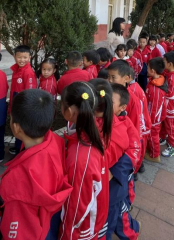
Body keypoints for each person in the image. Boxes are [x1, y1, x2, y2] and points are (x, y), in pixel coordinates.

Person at [0, 90, 72, 241]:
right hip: (49, 219)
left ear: (16, 128)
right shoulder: (54, 140)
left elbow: (16, 229)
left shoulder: (19, 178)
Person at [60, 82, 111, 240]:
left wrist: (66, 235)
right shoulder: (92, 130)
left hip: (82, 227)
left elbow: (76, 209)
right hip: (93, 216)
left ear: (69, 111)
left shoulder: (81, 156)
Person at [108, 85, 141, 241]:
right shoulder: (100, 119)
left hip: (117, 180)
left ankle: (132, 233)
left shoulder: (126, 123)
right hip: (104, 181)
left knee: (119, 213)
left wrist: (114, 172)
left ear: (122, 107)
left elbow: (135, 149)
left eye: (110, 102)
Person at [9, 45, 38, 155]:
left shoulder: (28, 72)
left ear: (30, 57)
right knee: (17, 126)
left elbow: (29, 93)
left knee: (21, 128)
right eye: (19, 57)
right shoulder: (16, 69)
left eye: (25, 57)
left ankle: (20, 151)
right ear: (14, 57)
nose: (22, 60)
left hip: (22, 105)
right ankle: (17, 147)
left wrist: (25, 108)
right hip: (16, 101)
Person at [144, 58, 168, 163]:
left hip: (153, 119)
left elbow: (155, 108)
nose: (146, 70)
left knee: (153, 136)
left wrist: (151, 121)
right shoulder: (155, 82)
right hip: (153, 117)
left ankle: (154, 155)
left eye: (148, 68)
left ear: (153, 71)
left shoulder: (155, 89)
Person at [160, 52, 174, 158]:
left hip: (171, 106)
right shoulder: (169, 73)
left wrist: (160, 91)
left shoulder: (173, 77)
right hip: (167, 104)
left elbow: (170, 93)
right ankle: (163, 138)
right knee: (165, 122)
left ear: (170, 64)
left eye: (164, 61)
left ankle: (173, 146)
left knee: (171, 126)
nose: (163, 63)